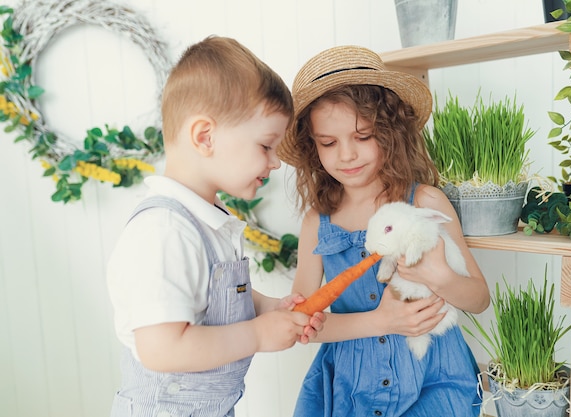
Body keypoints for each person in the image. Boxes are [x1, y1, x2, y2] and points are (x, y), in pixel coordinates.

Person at [107, 35, 324, 417]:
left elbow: (221, 295)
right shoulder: (165, 232)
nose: (276, 162)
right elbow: (161, 349)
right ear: (205, 137)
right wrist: (258, 335)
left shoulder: (211, 219)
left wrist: (271, 308)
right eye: (265, 146)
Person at [277, 45, 490, 417]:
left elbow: (478, 298)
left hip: (433, 377)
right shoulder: (317, 221)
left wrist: (440, 276)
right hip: (349, 384)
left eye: (363, 136)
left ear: (390, 134)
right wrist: (382, 320)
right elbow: (303, 324)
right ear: (313, 146)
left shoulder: (425, 202)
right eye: (328, 142)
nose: (346, 155)